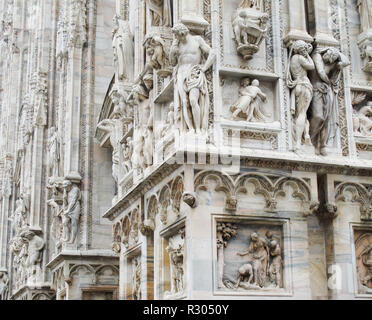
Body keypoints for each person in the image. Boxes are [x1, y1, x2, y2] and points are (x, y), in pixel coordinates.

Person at [170, 23, 216, 134]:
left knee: (193, 100)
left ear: (182, 33)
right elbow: (172, 63)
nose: (175, 38)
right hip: (181, 73)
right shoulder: (177, 45)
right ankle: (190, 129)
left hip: (194, 72)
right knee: (185, 102)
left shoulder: (197, 40)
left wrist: (204, 68)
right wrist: (172, 51)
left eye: (176, 35)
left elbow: (213, 53)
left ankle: (199, 129)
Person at [309, 47, 349, 155]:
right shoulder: (317, 56)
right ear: (326, 52)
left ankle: (322, 144)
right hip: (316, 89)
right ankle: (310, 141)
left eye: (332, 58)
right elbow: (321, 73)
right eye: (329, 56)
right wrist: (328, 82)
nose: (329, 59)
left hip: (326, 91)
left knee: (326, 119)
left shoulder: (332, 63)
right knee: (318, 116)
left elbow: (346, 62)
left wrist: (338, 55)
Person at [286, 40, 315, 151]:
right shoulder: (299, 57)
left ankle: (306, 134)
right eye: (303, 49)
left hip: (297, 87)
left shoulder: (292, 59)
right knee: (302, 114)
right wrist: (308, 55)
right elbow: (311, 66)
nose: (304, 51)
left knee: (302, 115)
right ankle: (298, 143)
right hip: (304, 86)